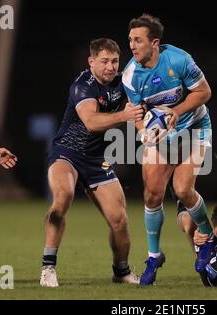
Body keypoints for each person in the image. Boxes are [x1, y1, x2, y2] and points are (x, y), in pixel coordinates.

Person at [39, 38, 145, 287]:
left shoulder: (124, 82)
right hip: (67, 152)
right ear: (91, 62)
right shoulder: (82, 86)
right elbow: (91, 122)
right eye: (104, 61)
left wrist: (149, 128)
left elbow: (140, 106)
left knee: (119, 220)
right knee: (62, 198)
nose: (110, 67)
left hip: (97, 160)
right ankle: (48, 267)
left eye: (115, 61)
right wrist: (125, 115)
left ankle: (121, 272)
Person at [122, 14, 214, 285]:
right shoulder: (130, 75)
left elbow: (204, 92)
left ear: (155, 43)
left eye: (138, 40)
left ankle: (206, 236)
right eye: (130, 40)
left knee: (183, 189)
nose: (132, 45)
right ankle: (154, 255)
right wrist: (143, 132)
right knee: (151, 194)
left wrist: (175, 111)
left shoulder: (178, 59)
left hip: (194, 127)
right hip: (162, 135)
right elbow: (138, 113)